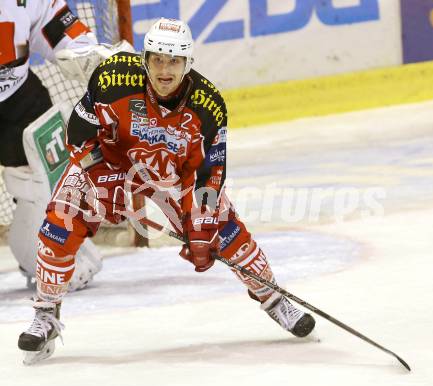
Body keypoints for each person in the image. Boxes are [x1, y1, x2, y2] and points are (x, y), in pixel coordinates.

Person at [17, 17, 316, 365]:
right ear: (145, 60)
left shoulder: (209, 105)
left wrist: (202, 231)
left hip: (174, 175)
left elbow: (210, 175)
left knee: (226, 231)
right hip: (108, 161)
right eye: (157, 59)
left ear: (188, 63)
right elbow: (79, 133)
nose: (164, 69)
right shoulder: (113, 78)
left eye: (174, 60)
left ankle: (274, 299)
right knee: (59, 225)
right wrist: (100, 177)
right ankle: (46, 315)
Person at [0, 0, 112, 291]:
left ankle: (41, 251)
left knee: (46, 177)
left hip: (17, 97)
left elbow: (56, 25)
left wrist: (89, 54)